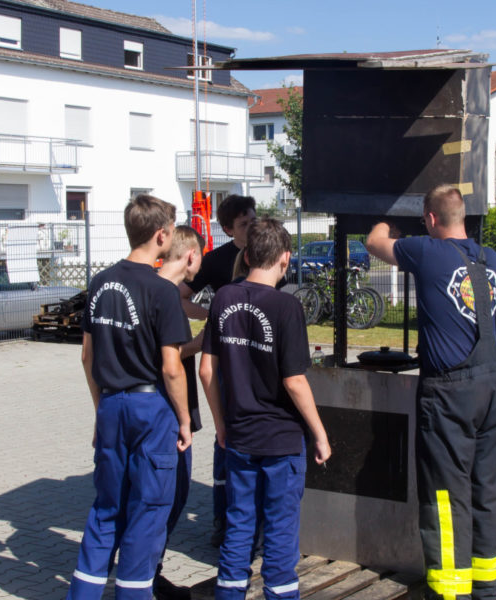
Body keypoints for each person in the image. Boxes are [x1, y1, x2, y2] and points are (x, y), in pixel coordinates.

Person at [366, 185, 496, 600]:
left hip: (451, 393)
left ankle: (450, 593)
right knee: (485, 488)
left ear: (430, 220)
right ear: (462, 217)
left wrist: (384, 220)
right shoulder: (491, 259)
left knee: (447, 499)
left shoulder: (427, 252)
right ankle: (486, 588)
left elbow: (376, 243)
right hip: (494, 383)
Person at [199, 217, 332, 600]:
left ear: (247, 253)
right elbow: (294, 381)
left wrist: (221, 425)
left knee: (239, 526)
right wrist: (320, 434)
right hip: (282, 440)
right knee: (280, 530)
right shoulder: (287, 307)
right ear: (285, 259)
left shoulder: (223, 297)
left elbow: (207, 369)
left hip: (239, 436)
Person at [67, 194, 191, 600]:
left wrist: (100, 406)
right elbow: (171, 367)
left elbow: (87, 356)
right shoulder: (162, 292)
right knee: (147, 510)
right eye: (171, 232)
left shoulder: (100, 282)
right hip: (150, 408)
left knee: (106, 510)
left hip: (111, 405)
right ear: (161, 235)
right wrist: (185, 419)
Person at [181, 194, 256, 546]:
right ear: (228, 229)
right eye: (244, 224)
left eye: (254, 220)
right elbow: (178, 294)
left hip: (262, 362)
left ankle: (254, 522)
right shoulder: (216, 260)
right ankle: (221, 520)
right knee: (226, 439)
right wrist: (208, 316)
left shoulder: (266, 255)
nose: (251, 227)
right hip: (227, 363)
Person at [154, 225, 205, 600]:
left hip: (133, 409)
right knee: (173, 492)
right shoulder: (164, 296)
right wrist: (205, 340)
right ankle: (147, 573)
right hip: (167, 412)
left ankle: (144, 571)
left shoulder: (155, 289)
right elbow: (169, 362)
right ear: (190, 256)